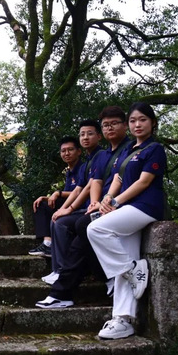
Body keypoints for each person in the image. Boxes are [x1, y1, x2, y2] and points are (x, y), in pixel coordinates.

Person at [36, 106, 131, 309]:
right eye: (106, 125)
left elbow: (126, 181)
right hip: (105, 206)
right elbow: (94, 182)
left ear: (125, 126)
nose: (110, 128)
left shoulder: (130, 150)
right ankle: (69, 287)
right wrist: (94, 203)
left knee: (80, 226)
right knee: (79, 227)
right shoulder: (104, 155)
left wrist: (107, 201)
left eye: (114, 123)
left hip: (122, 207)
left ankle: (68, 286)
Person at [87, 102, 166, 340]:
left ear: (152, 122)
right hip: (127, 207)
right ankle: (122, 319)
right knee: (125, 257)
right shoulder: (128, 149)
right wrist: (107, 199)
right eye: (133, 120)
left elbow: (143, 182)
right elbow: (118, 178)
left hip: (145, 206)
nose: (137, 124)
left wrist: (116, 202)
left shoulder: (154, 149)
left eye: (142, 119)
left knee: (96, 229)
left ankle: (132, 270)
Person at [41, 120, 103, 285]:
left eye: (90, 134)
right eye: (82, 134)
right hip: (86, 207)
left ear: (99, 136)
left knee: (61, 223)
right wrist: (62, 209)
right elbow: (78, 189)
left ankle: (64, 271)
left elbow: (89, 187)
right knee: (56, 218)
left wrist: (69, 209)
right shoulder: (88, 161)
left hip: (96, 207)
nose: (85, 137)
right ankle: (57, 270)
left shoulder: (101, 156)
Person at [28, 136, 83, 260]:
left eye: (70, 150)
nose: (66, 153)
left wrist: (58, 193)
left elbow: (81, 191)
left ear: (79, 151)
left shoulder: (83, 169)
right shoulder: (69, 172)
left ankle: (48, 244)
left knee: (45, 205)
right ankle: (47, 243)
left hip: (80, 206)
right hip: (69, 204)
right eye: (63, 151)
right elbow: (69, 193)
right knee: (41, 203)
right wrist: (47, 198)